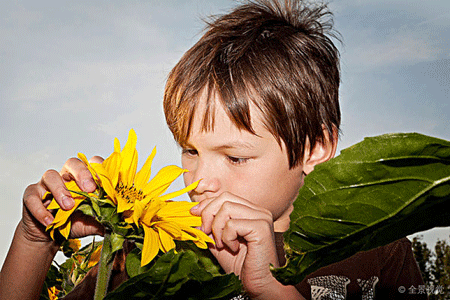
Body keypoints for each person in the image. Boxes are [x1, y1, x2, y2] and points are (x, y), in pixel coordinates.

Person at [0, 1, 426, 299]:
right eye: (190, 151)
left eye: (235, 157)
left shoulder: (374, 247)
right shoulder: (156, 250)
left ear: (316, 147)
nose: (199, 181)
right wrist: (35, 239)